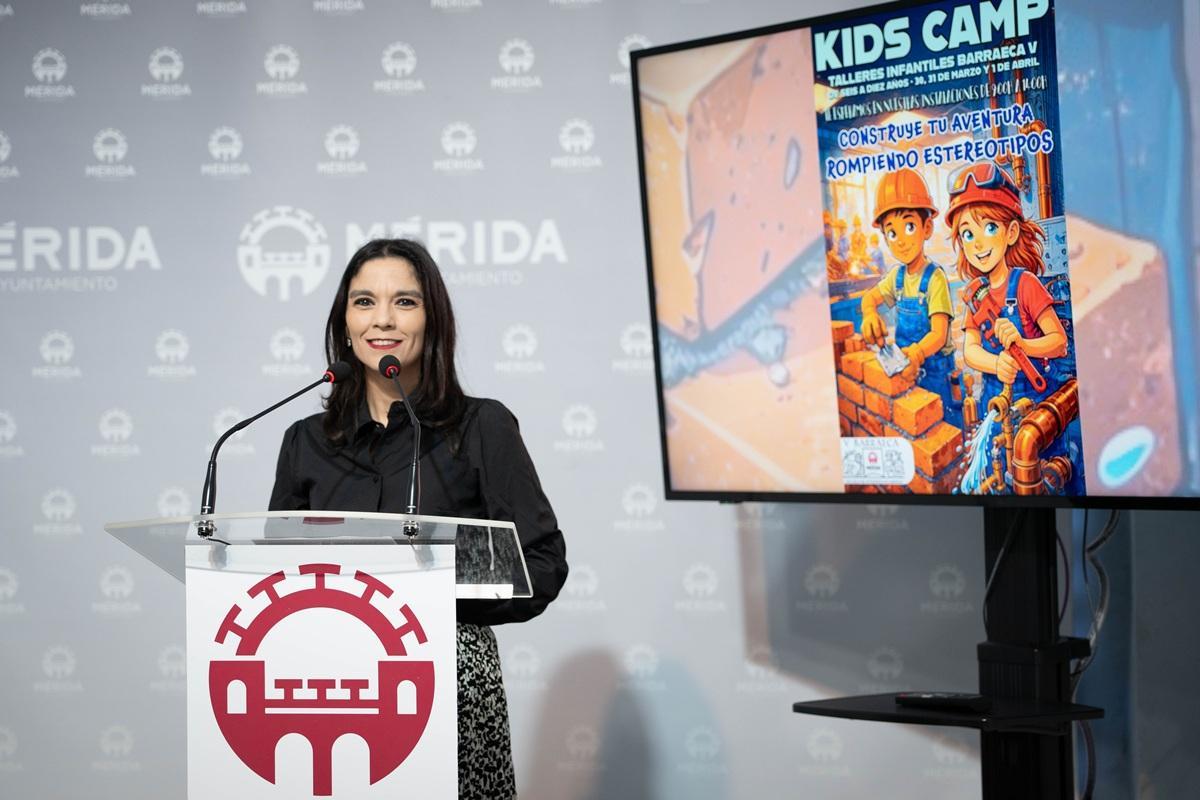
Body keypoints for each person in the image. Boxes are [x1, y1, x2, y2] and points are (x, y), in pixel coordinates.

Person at [268, 238, 569, 798]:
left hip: (450, 685)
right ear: (344, 322)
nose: (382, 319)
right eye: (364, 302)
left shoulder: (481, 427)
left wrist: (427, 590)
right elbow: (276, 580)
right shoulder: (305, 442)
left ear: (433, 320)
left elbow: (543, 563)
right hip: (329, 691)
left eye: (404, 301)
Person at [944, 161, 1082, 493]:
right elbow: (970, 350)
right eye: (967, 234)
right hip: (997, 407)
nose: (978, 244)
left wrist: (1023, 343)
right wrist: (995, 363)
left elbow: (1059, 342)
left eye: (989, 227)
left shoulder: (1026, 284)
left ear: (1011, 232)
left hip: (1037, 413)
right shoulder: (975, 294)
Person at [859, 167, 963, 428]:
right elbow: (870, 298)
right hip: (906, 369)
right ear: (885, 238)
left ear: (926, 228)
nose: (901, 241)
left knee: (944, 428)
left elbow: (939, 333)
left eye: (909, 226)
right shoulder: (896, 277)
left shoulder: (935, 279)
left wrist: (916, 354)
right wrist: (869, 313)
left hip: (936, 372)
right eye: (892, 233)